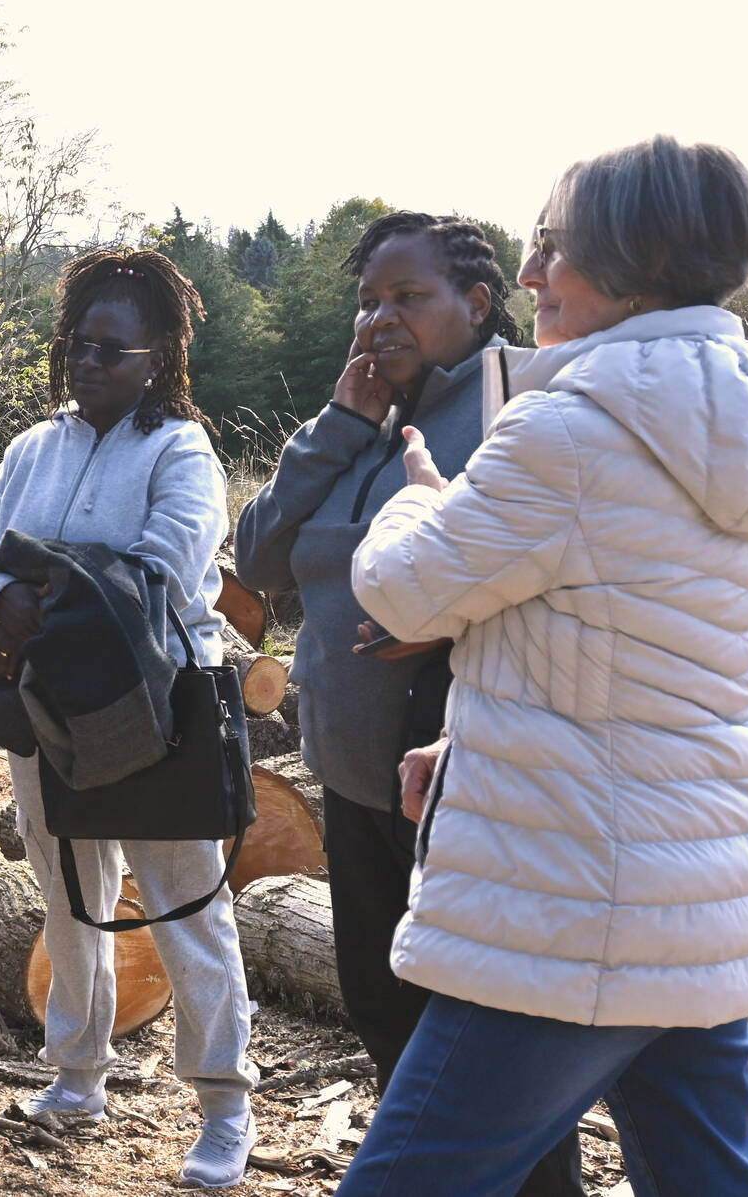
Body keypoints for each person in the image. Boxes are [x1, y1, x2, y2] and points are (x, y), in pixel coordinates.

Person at [335, 137, 748, 1197]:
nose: (526, 277)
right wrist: (467, 737)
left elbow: (399, 592)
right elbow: (652, 649)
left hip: (567, 899)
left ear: (622, 265)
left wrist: (420, 493)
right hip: (698, 894)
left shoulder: (566, 427)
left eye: (547, 247)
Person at [234, 218, 584, 1194]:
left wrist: (445, 616)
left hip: (465, 779)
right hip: (351, 783)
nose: (379, 317)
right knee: (386, 1016)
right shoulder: (360, 420)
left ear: (474, 303)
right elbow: (257, 556)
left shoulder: (520, 408)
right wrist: (342, 419)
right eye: (369, 299)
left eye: (407, 297)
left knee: (483, 1050)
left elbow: (552, 566)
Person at [0, 249, 261, 1188]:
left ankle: (223, 1107)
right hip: (46, 703)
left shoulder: (181, 450)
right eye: (78, 344)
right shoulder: (34, 444)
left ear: (160, 354)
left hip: (156, 708)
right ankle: (77, 1074)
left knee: (186, 908)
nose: (88, 362)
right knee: (68, 894)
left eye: (112, 350)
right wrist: (0, 587)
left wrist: (36, 589)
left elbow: (162, 568)